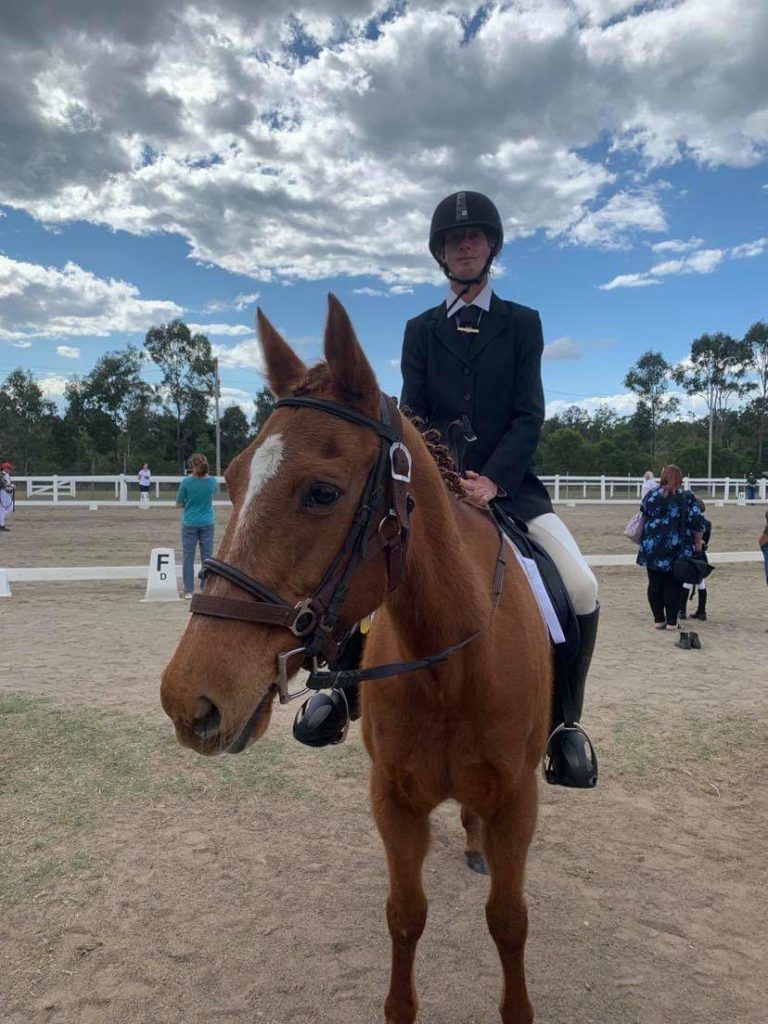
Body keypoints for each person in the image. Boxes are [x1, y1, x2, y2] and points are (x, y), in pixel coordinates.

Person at [637, 465, 704, 630]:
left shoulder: (652, 495)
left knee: (654, 583)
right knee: (673, 585)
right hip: (677, 547)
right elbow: (697, 522)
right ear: (680, 479)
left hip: (652, 545)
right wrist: (698, 542)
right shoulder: (687, 497)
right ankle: (672, 621)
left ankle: (659, 620)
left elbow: (642, 516)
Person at [175, 453, 217, 599]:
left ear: (192, 466)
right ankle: (206, 587)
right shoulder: (212, 481)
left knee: (188, 556)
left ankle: (188, 590)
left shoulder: (186, 482)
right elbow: (212, 496)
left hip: (190, 522)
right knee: (207, 557)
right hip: (207, 521)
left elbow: (179, 503)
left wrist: (188, 503)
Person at [679, 499, 711, 621]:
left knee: (686, 582)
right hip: (701, 556)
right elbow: (705, 542)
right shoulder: (708, 524)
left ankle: (682, 610)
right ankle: (701, 610)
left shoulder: (688, 523)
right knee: (701, 583)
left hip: (690, 554)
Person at [0, 460, 15, 532]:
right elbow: (4, 485)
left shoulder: (6, 475)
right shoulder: (1, 475)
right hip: (3, 493)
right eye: (9, 469)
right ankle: (1, 524)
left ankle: (1, 522)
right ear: (5, 468)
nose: (10, 470)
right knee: (8, 508)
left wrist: (11, 487)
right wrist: (11, 486)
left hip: (6, 493)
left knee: (4, 509)